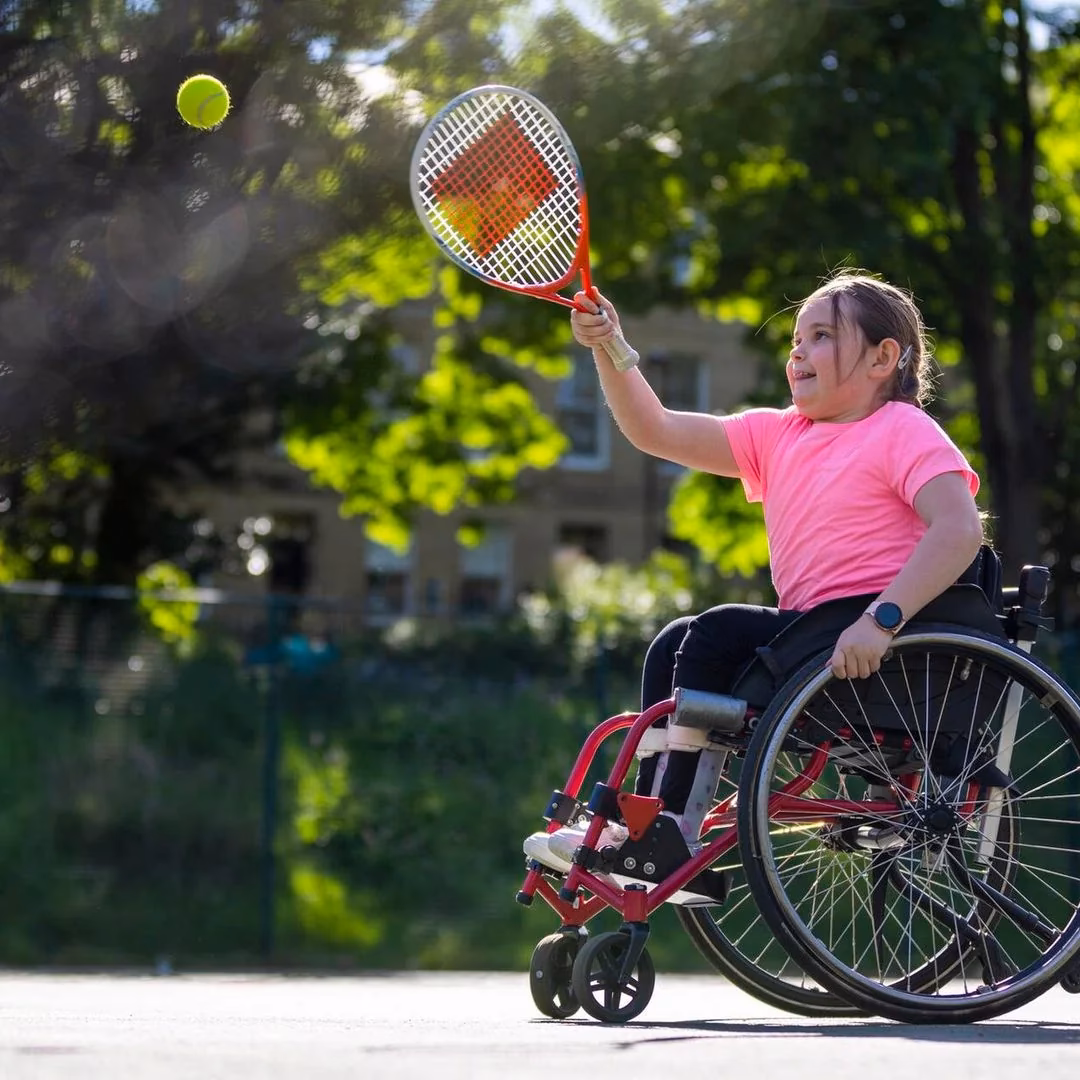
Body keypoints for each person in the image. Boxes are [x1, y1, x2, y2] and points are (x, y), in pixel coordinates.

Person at [523, 270, 986, 897]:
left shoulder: (902, 430)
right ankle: (648, 824)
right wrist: (611, 348)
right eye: (796, 338)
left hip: (880, 646)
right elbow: (654, 430)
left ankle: (671, 832)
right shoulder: (779, 434)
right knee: (675, 641)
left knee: (714, 634)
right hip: (811, 644)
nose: (797, 350)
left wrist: (882, 621)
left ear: (883, 358)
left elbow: (959, 531)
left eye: (821, 336)